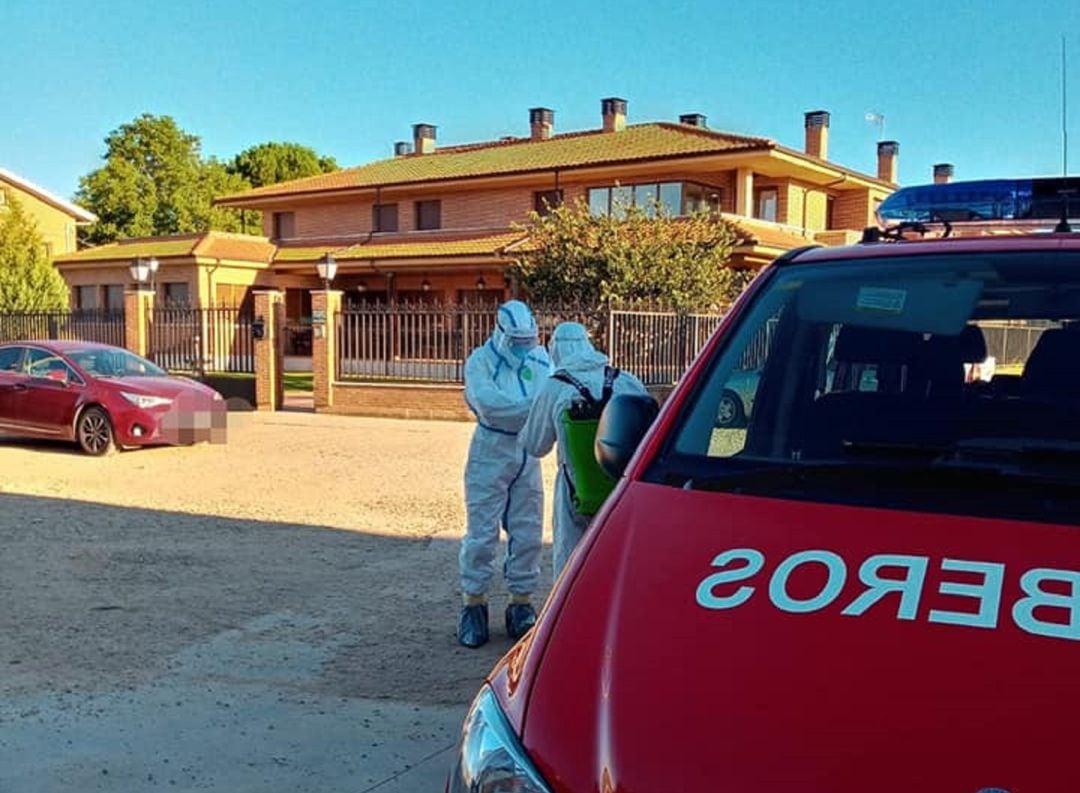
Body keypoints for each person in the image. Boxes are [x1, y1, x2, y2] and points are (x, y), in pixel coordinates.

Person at [520, 321, 649, 580]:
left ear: (555, 350)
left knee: (571, 565)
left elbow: (535, 445)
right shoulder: (626, 381)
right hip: (621, 489)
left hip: (573, 490)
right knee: (619, 561)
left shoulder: (554, 387)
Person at [458, 299, 551, 648]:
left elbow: (550, 400)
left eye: (528, 339)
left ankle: (521, 603)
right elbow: (490, 406)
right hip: (490, 451)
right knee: (482, 530)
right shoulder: (480, 362)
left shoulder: (541, 360)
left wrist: (532, 414)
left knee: (529, 529)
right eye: (517, 340)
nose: (523, 346)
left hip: (529, 451)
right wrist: (535, 410)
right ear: (500, 334)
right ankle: (474, 604)